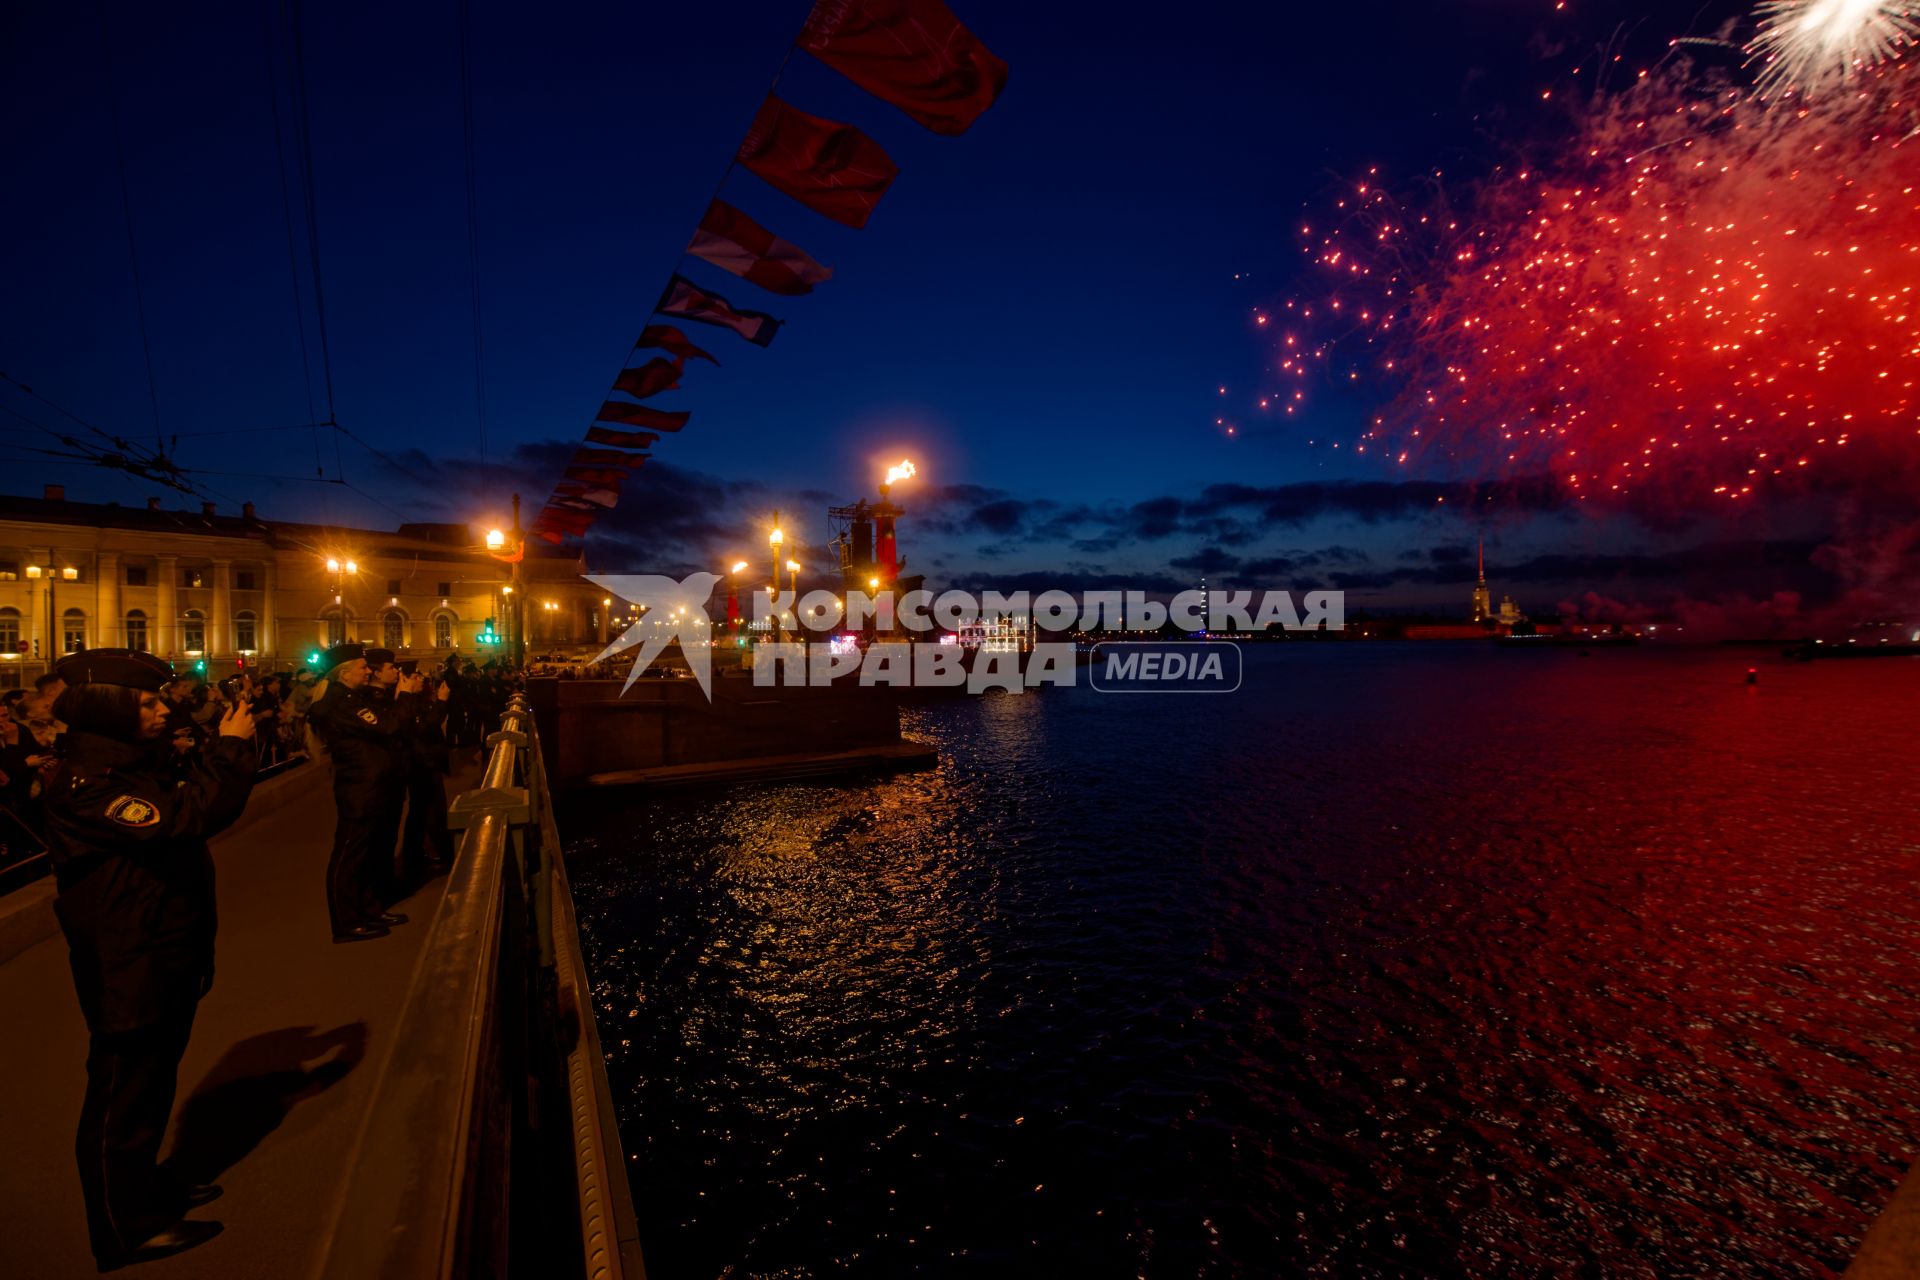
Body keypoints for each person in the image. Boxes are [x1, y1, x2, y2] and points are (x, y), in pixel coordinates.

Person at [42, 648, 255, 1269]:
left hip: (161, 946)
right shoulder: (90, 785)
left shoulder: (129, 766)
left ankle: (146, 1189)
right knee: (121, 1094)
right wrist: (232, 747)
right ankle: (122, 1226)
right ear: (106, 711)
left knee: (155, 1080)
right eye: (146, 703)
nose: (163, 711)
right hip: (127, 960)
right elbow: (186, 818)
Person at [305, 643, 419, 942]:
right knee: (349, 858)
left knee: (369, 854)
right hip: (359, 788)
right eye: (361, 667)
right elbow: (389, 725)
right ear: (344, 673)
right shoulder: (342, 703)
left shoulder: (351, 698)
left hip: (372, 785)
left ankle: (369, 909)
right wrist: (406, 695)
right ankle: (346, 922)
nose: (367, 671)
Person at [396, 659, 454, 888]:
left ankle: (421, 854)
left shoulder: (415, 701)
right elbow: (426, 728)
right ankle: (437, 856)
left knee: (425, 811)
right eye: (416, 676)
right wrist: (441, 703)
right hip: (421, 764)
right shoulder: (406, 704)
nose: (421, 679)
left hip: (427, 763)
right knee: (428, 811)